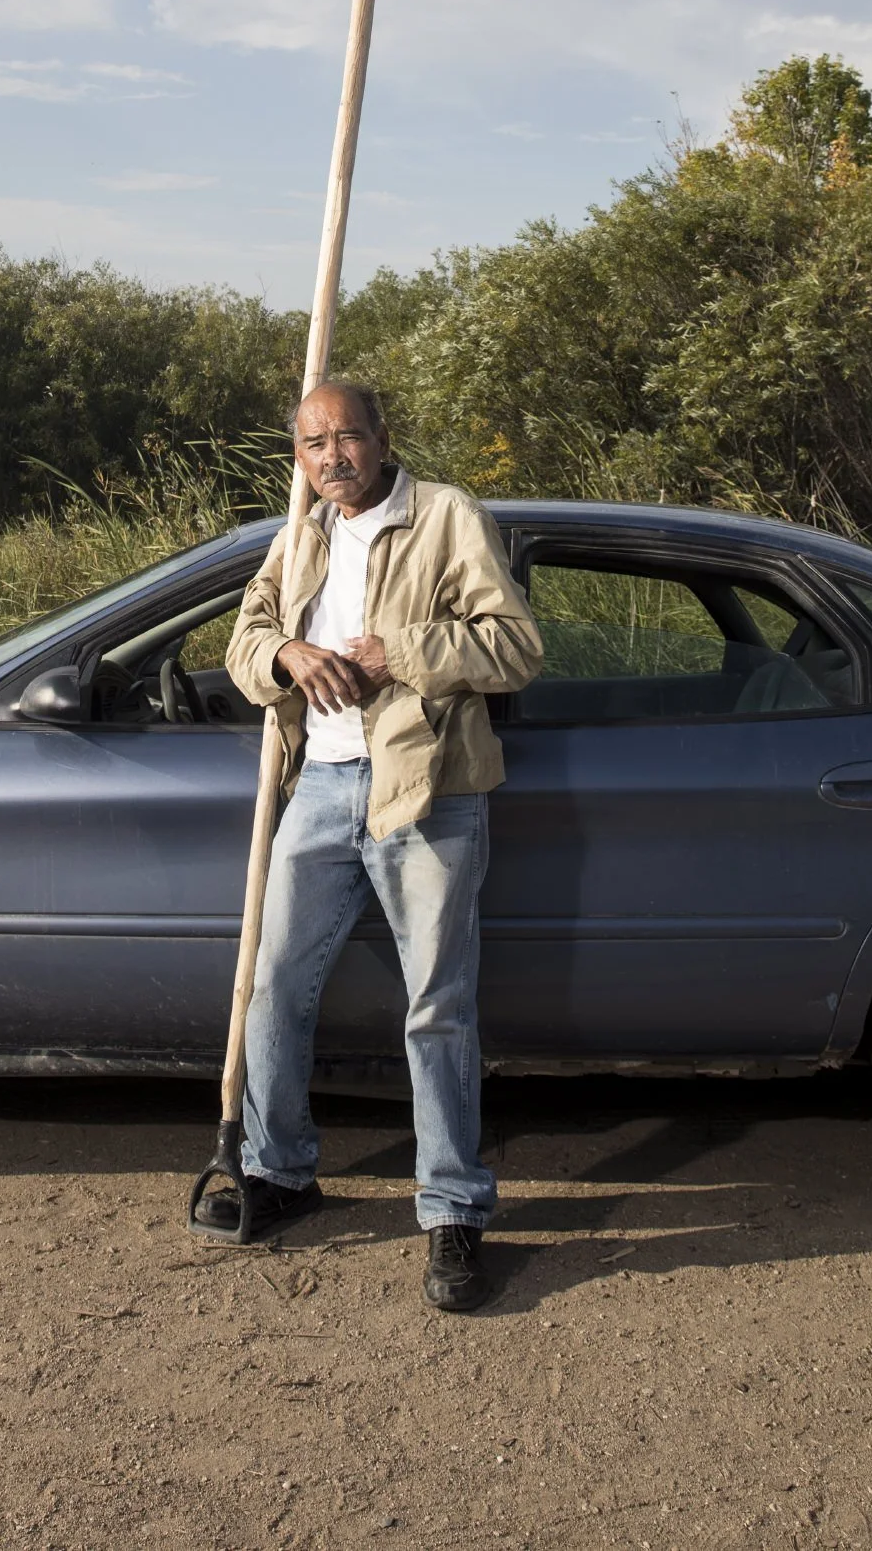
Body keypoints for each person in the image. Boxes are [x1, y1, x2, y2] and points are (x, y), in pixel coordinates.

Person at [197, 381, 543, 1312]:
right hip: (318, 790)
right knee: (273, 986)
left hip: (426, 792)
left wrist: (401, 651)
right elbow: (244, 639)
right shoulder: (301, 531)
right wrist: (284, 657)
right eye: (315, 443)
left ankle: (453, 1211)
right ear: (300, 456)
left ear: (383, 441)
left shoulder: (444, 516)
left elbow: (514, 647)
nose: (333, 457)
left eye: (349, 437)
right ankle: (277, 1172)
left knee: (436, 1006)